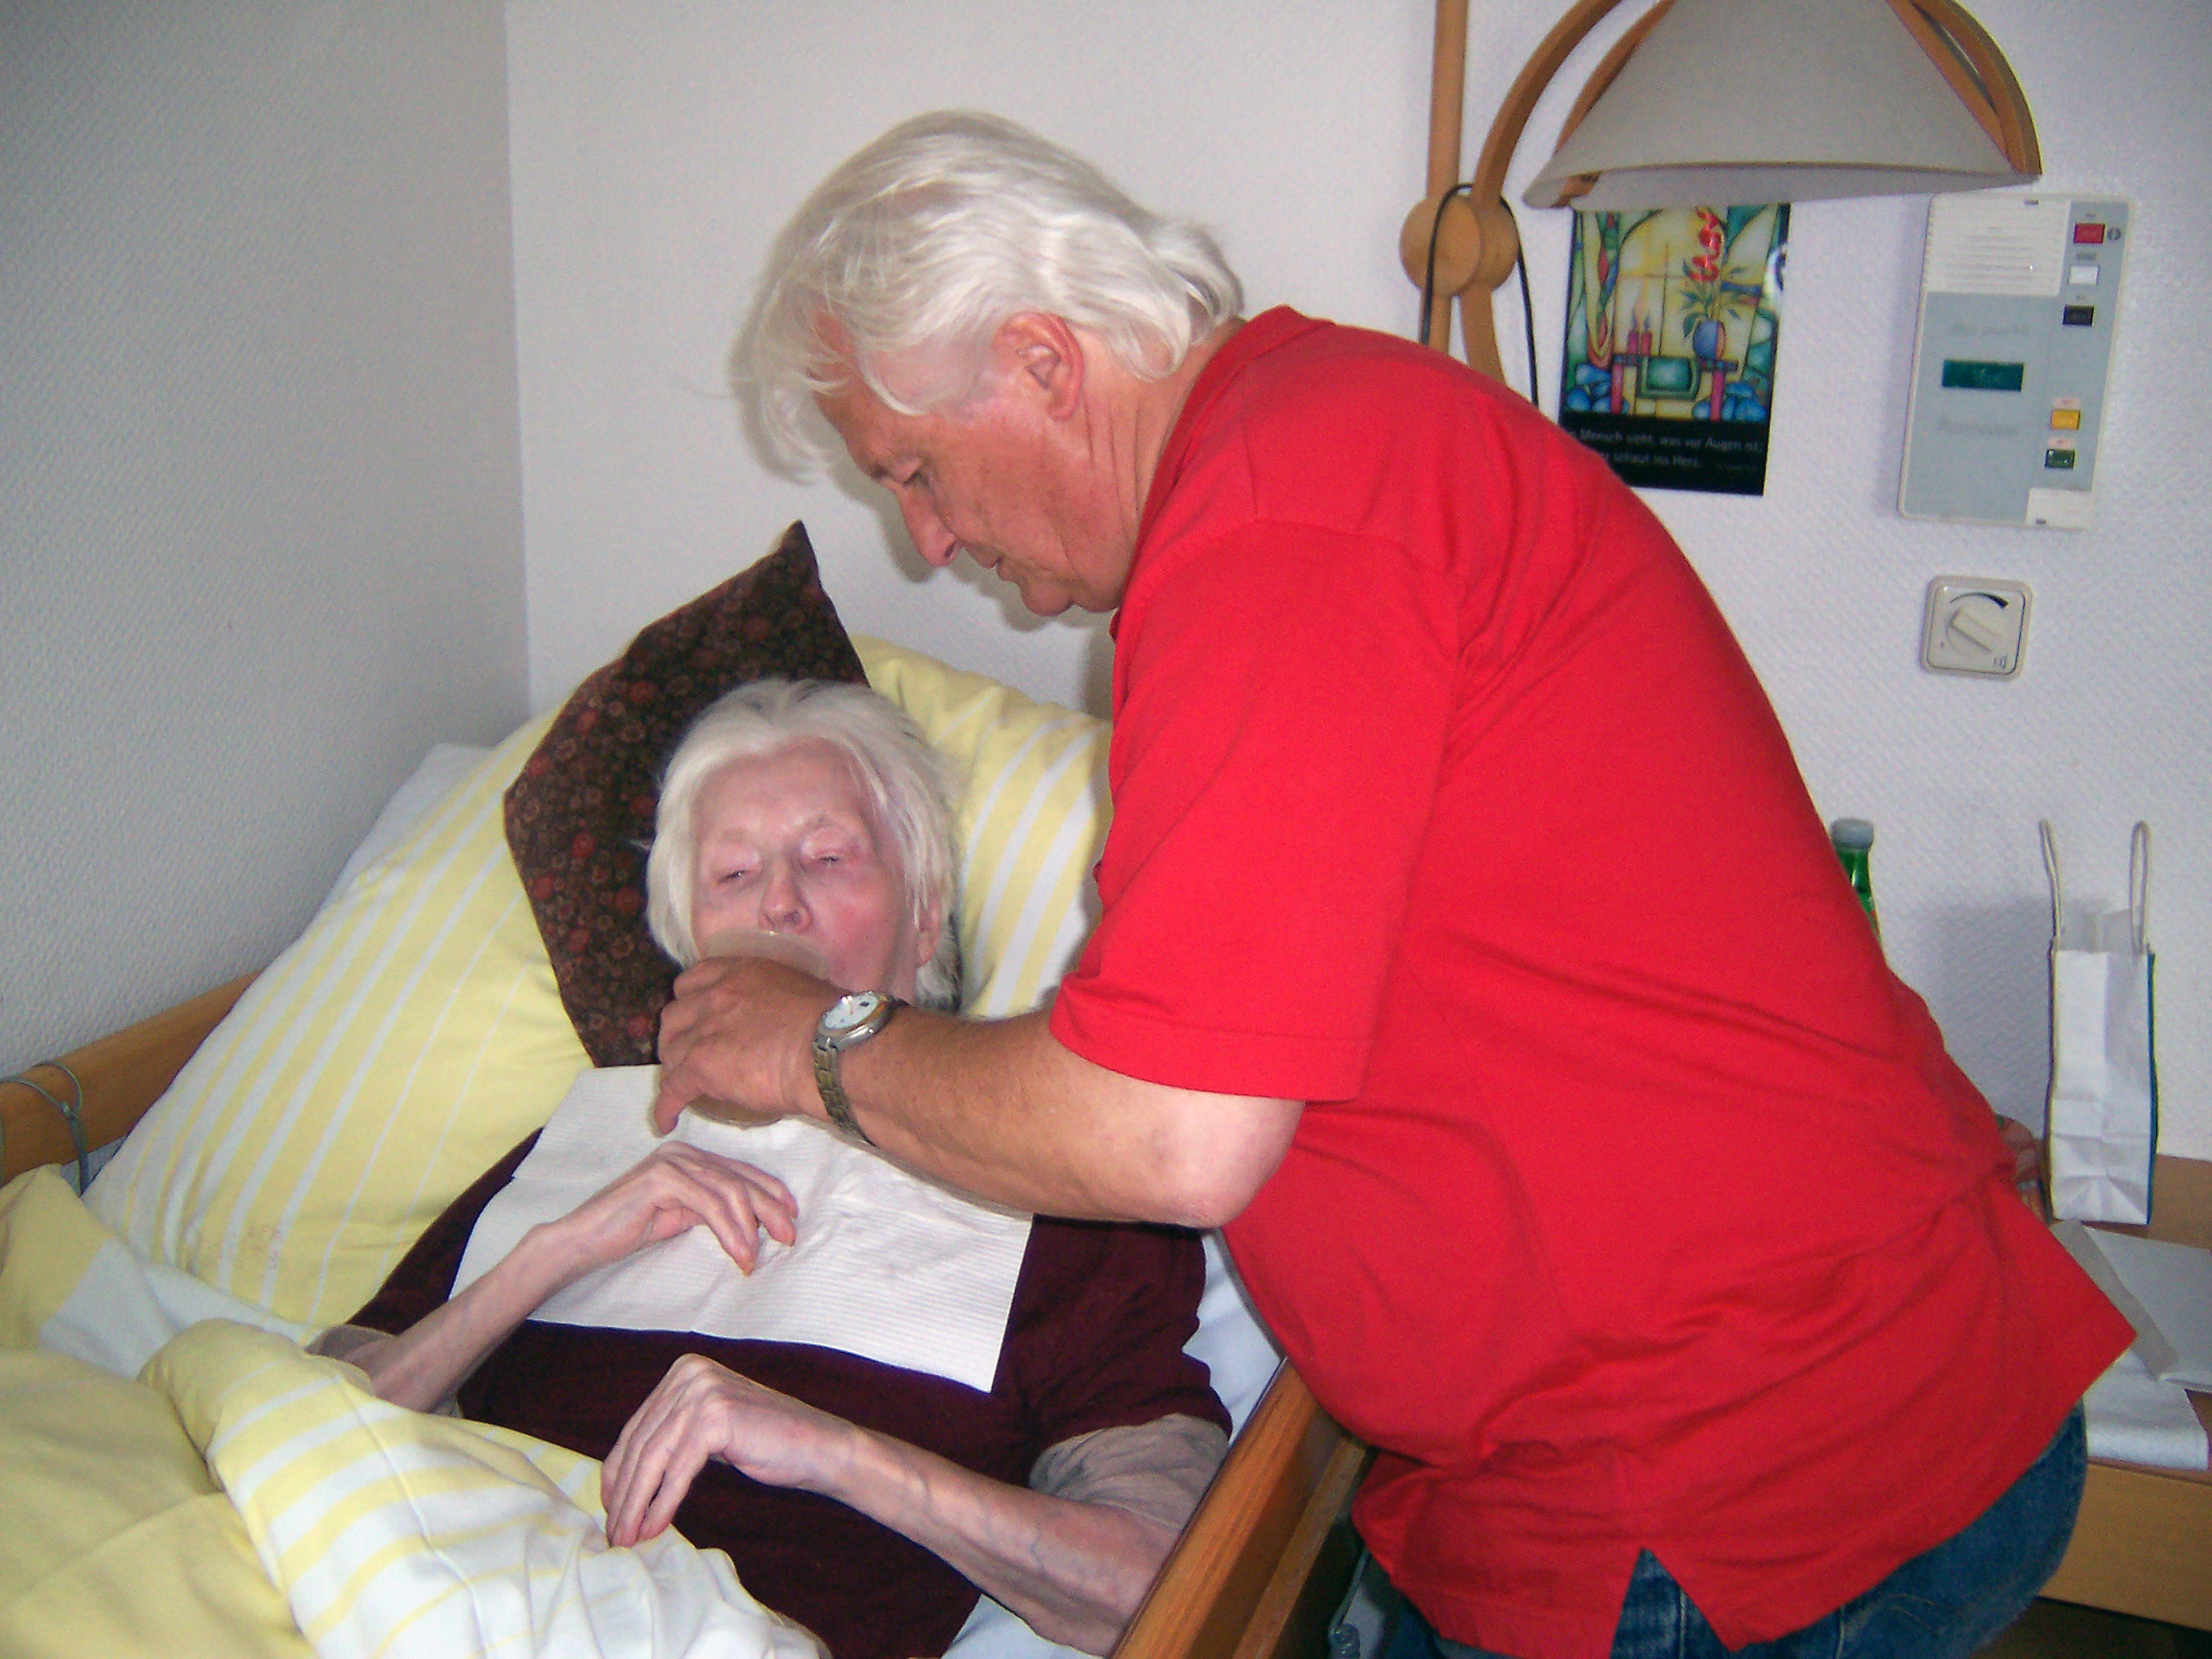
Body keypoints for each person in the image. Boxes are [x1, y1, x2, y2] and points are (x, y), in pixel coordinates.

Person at [647, 111, 2137, 1659]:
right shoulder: (1325, 444)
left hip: (1724, 1481)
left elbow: (1166, 1130)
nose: (930, 534)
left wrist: (816, 1042)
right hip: (1685, 1434)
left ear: (1039, 361)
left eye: (918, 471)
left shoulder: (1284, 510)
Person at [313, 679, 1231, 1659]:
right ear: (690, 945)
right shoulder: (582, 1140)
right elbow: (308, 1421)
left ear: (924, 923)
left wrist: (837, 1454)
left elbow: (1164, 1579)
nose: (781, 902)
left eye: (829, 859)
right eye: (734, 875)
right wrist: (552, 1254)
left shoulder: (1055, 1178)